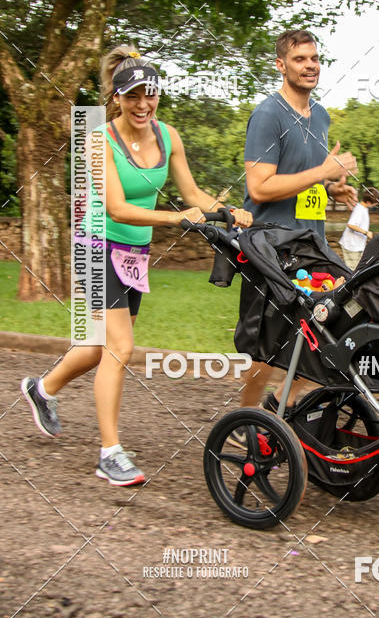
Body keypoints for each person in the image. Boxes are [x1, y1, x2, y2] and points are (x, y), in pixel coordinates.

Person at [21, 45, 252, 486]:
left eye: (151, 94)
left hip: (133, 253)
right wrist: (175, 219)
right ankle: (109, 454)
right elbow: (117, 208)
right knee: (120, 347)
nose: (143, 104)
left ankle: (41, 389)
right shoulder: (98, 141)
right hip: (96, 245)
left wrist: (228, 212)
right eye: (132, 96)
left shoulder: (169, 137)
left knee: (97, 348)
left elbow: (192, 194)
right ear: (117, 98)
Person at [241, 28, 357, 412]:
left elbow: (304, 176)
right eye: (299, 59)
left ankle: (278, 405)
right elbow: (259, 187)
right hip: (270, 246)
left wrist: (331, 188)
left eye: (314, 58)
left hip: (311, 244)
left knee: (328, 327)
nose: (310, 66)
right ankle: (246, 420)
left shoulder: (320, 115)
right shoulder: (267, 115)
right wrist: (324, 170)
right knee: (266, 344)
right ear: (281, 65)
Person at [338, 186, 379, 269]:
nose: (375, 205)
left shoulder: (363, 208)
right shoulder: (360, 209)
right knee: (353, 270)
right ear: (369, 202)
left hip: (357, 245)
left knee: (359, 268)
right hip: (351, 245)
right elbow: (351, 225)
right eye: (375, 203)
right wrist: (366, 232)